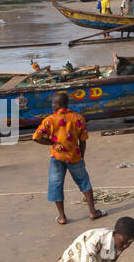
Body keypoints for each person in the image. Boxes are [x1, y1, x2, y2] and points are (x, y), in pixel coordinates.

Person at [33, 92, 105, 225]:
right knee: (84, 182)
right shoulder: (78, 118)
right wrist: (82, 156)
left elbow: (36, 137)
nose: (52, 105)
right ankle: (92, 211)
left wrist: (52, 143)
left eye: (53, 103)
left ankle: (62, 217)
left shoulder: (49, 120)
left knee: (56, 184)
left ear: (58, 105)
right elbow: (83, 141)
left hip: (57, 157)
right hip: (75, 156)